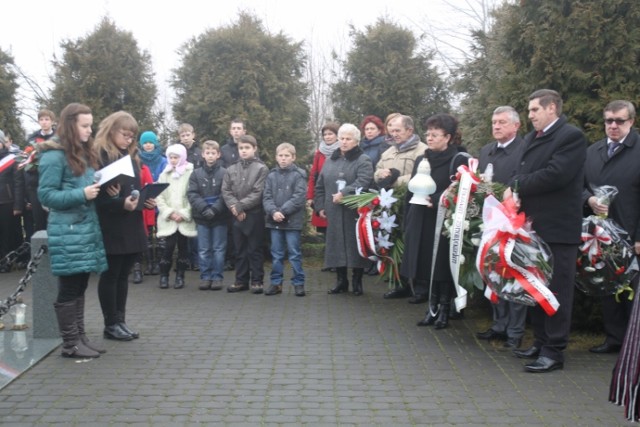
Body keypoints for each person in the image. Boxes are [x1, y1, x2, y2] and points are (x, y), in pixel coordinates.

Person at [508, 89, 587, 373]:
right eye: (529, 111)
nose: (529, 116)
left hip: (558, 228)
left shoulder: (571, 137)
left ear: (551, 108)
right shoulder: (532, 138)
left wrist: (518, 185)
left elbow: (557, 174)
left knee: (557, 289)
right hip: (534, 227)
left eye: (534, 110)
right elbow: (522, 170)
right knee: (537, 287)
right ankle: (541, 341)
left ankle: (554, 350)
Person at [37, 102, 107, 358]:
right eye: (85, 126)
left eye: (91, 125)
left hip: (84, 229)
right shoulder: (54, 155)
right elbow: (46, 195)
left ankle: (80, 337)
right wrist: (82, 193)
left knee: (79, 286)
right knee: (69, 287)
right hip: (67, 231)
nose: (90, 130)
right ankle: (70, 343)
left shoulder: (80, 152)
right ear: (70, 126)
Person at [584, 100, 640, 354]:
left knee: (633, 291)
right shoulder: (592, 151)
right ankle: (614, 338)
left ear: (631, 122)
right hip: (602, 235)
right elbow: (578, 185)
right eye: (609, 120)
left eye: (620, 121)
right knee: (608, 285)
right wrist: (589, 199)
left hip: (632, 233)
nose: (613, 126)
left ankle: (634, 343)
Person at [403, 114, 468, 330]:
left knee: (441, 266)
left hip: (443, 220)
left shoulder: (458, 160)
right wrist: (407, 218)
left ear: (448, 137)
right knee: (426, 265)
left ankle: (445, 309)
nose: (429, 139)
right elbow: (411, 188)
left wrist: (439, 198)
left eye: (435, 135)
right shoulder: (422, 160)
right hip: (421, 218)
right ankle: (431, 308)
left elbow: (462, 190)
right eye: (428, 134)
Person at [94, 111, 150, 341]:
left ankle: (121, 321)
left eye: (131, 136)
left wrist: (145, 198)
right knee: (111, 274)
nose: (128, 139)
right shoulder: (100, 155)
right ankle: (110, 324)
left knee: (123, 274)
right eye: (124, 134)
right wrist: (120, 203)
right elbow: (98, 198)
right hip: (112, 223)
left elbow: (132, 188)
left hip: (130, 221)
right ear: (111, 130)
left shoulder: (132, 155)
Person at [475, 106, 527, 349]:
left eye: (502, 122)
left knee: (514, 276)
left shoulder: (525, 149)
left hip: (516, 223)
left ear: (516, 126)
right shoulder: (487, 151)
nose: (496, 126)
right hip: (490, 221)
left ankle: (515, 332)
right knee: (493, 272)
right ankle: (499, 325)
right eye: (494, 122)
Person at [314, 123, 374, 296]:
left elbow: (364, 181)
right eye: (342, 138)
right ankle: (341, 281)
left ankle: (357, 281)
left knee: (354, 245)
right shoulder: (330, 159)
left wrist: (344, 193)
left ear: (356, 141)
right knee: (335, 245)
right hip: (332, 209)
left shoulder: (363, 160)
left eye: (348, 139)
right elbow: (320, 185)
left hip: (353, 209)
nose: (344, 142)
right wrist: (320, 206)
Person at [374, 114, 428, 298]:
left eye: (398, 130)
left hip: (411, 204)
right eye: (392, 130)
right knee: (394, 243)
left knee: (413, 245)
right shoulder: (389, 151)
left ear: (410, 130)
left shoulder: (422, 151)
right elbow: (377, 171)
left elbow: (420, 177)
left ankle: (419, 287)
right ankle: (400, 283)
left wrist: (394, 181)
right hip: (391, 206)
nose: (394, 134)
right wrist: (381, 174)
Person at [222, 135, 269, 294]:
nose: (244, 151)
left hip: (254, 214)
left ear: (254, 149)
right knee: (239, 250)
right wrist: (235, 207)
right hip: (236, 214)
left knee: (254, 249)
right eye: (241, 148)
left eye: (247, 148)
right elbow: (226, 190)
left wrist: (241, 206)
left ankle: (257, 281)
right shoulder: (231, 169)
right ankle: (241, 280)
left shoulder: (261, 168)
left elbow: (258, 192)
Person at [263, 143, 307, 297]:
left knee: (294, 254)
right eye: (280, 156)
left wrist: (282, 211)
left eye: (287, 156)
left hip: (292, 222)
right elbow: (266, 197)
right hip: (274, 221)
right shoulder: (271, 175)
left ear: (293, 157)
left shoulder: (299, 175)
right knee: (276, 254)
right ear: (276, 157)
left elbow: (299, 197)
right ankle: (276, 283)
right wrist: (273, 211)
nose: (283, 159)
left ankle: (298, 283)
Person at [187, 140, 229, 291]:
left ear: (218, 154)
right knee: (204, 249)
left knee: (218, 248)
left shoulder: (225, 173)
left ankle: (217, 277)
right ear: (203, 154)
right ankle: (205, 277)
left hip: (220, 217)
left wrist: (215, 209)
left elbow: (226, 194)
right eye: (207, 153)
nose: (210, 156)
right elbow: (192, 193)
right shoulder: (196, 174)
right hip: (202, 217)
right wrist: (204, 208)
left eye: (213, 153)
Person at [156, 143, 196, 289]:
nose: (173, 160)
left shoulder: (191, 173)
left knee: (183, 247)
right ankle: (164, 276)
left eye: (176, 157)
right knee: (168, 247)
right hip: (169, 218)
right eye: (170, 157)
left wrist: (184, 213)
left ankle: (180, 276)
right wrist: (169, 213)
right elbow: (159, 196)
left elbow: (193, 195)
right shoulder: (164, 174)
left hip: (184, 219)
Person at [138, 130, 167, 276]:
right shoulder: (138, 160)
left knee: (161, 235)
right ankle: (150, 263)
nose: (148, 145)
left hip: (160, 201)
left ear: (155, 143)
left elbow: (166, 180)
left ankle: (161, 264)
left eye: (150, 142)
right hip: (145, 203)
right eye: (145, 143)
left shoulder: (163, 160)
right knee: (147, 235)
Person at [25, 109, 57, 237]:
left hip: (54, 183)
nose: (44, 122)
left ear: (52, 121)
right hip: (36, 184)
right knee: (39, 221)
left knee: (53, 219)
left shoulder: (58, 137)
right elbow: (27, 160)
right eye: (41, 119)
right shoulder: (33, 139)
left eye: (47, 119)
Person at [220, 118, 247, 271]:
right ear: (230, 131)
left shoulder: (248, 147)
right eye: (234, 128)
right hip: (229, 195)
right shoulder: (224, 150)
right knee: (230, 230)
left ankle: (244, 258)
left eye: (239, 128)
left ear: (244, 131)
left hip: (246, 196)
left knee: (245, 228)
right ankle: (231, 258)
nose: (236, 131)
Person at [176, 123, 202, 271]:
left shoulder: (199, 153)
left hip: (196, 193)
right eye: (182, 135)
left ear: (193, 135)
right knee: (183, 229)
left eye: (188, 135)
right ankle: (183, 260)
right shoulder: (176, 153)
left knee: (195, 229)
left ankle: (196, 260)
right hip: (180, 195)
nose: (185, 138)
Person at [306, 122, 340, 235]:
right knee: (324, 228)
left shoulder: (342, 151)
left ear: (337, 135)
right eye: (325, 134)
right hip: (322, 193)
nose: (328, 137)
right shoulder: (319, 153)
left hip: (337, 192)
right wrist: (310, 196)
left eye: (331, 134)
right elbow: (313, 175)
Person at [0, 129, 25, 271]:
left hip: (7, 202)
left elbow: (18, 184)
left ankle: (6, 262)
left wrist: (18, 205)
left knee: (7, 234)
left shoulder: (12, 159)